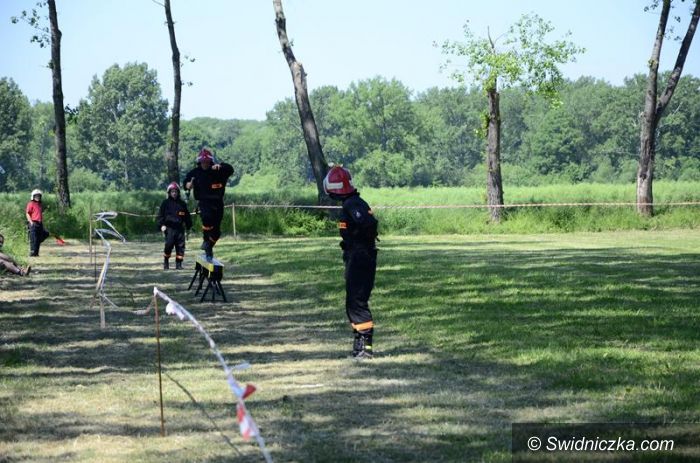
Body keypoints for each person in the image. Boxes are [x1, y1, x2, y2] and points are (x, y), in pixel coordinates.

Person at [323, 165, 379, 360]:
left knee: (357, 302)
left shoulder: (352, 204)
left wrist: (359, 242)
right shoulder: (351, 203)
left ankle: (365, 348)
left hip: (360, 257)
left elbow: (368, 223)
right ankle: (359, 346)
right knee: (353, 302)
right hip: (357, 255)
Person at [183, 149, 234, 261]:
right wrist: (188, 185)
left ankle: (208, 245)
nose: (204, 164)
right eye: (202, 162)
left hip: (218, 202)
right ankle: (206, 241)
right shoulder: (195, 173)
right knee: (206, 218)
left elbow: (230, 169)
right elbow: (185, 182)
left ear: (210, 161)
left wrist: (221, 166)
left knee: (217, 233)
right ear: (199, 162)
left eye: (206, 161)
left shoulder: (218, 170)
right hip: (204, 202)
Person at [156, 182, 193, 270]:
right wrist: (162, 225)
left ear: (178, 193)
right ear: (169, 193)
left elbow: (187, 216)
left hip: (180, 229)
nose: (174, 193)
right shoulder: (165, 203)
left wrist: (189, 226)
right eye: (172, 192)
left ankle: (179, 264)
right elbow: (160, 216)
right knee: (169, 245)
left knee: (180, 246)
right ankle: (166, 261)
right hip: (169, 229)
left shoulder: (182, 204)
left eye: (175, 192)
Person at [25, 189, 49, 257]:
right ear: (33, 196)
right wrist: (31, 222)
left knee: (43, 235)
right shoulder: (30, 203)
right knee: (34, 238)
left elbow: (39, 214)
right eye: (36, 196)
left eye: (39, 196)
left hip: (39, 223)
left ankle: (36, 253)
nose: (37, 197)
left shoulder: (40, 204)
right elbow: (27, 213)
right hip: (33, 223)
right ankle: (32, 253)